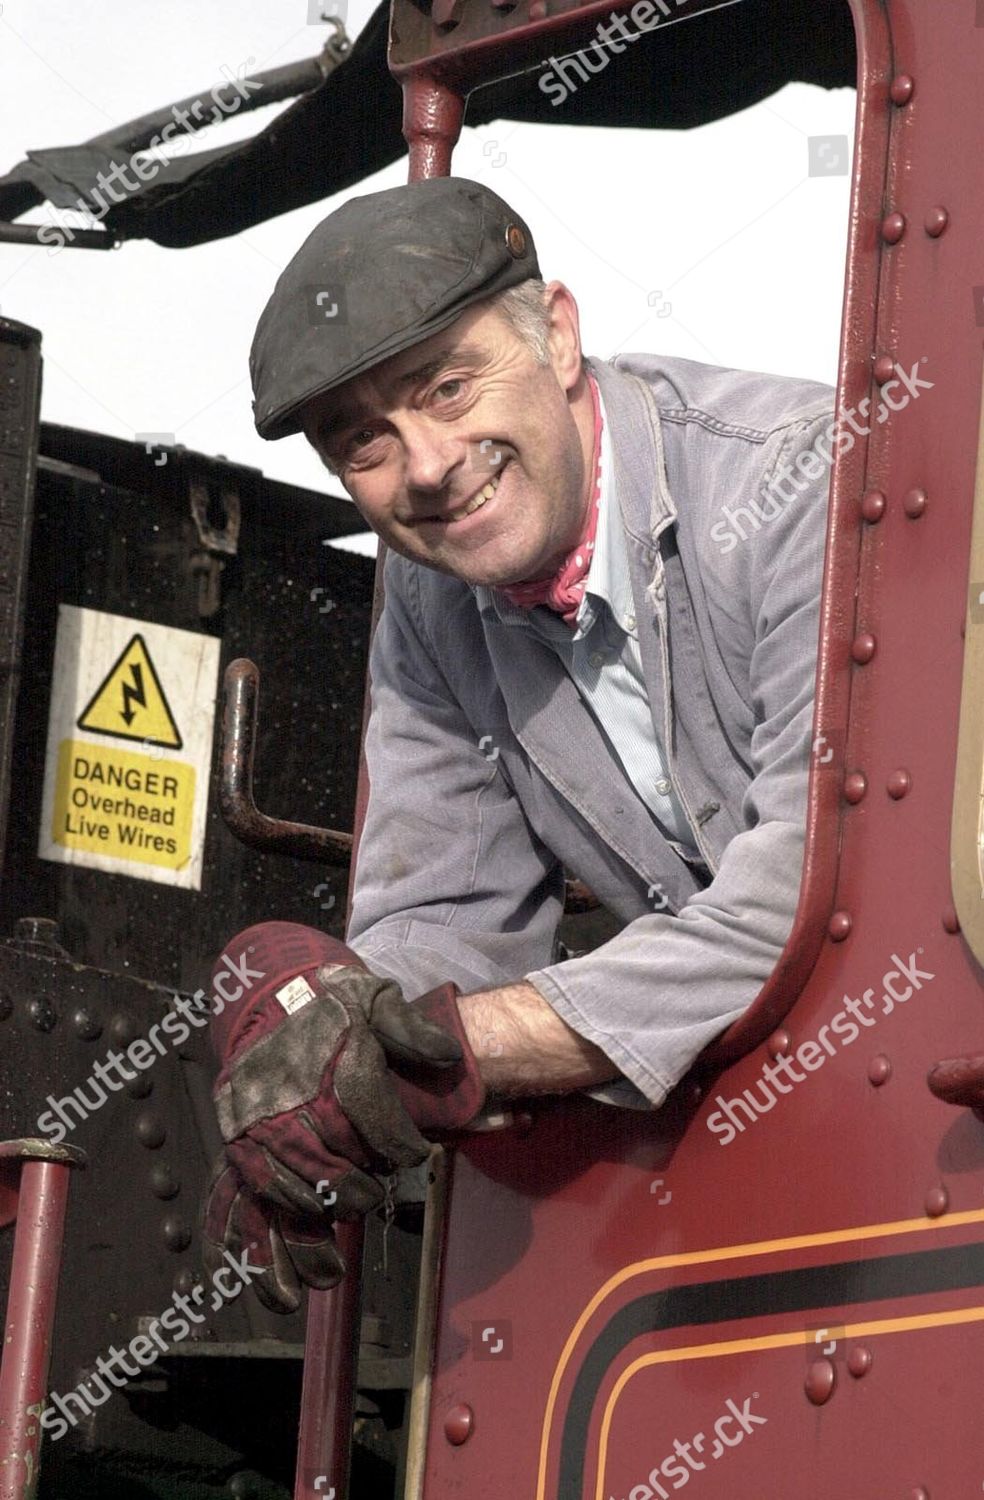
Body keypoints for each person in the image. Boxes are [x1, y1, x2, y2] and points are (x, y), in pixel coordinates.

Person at [203, 176, 833, 1311]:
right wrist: (311, 1045)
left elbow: (806, 902)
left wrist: (424, 1050)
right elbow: (445, 916)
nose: (430, 464)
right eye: (366, 445)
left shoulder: (796, 480)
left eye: (448, 388)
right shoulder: (431, 600)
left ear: (558, 335)